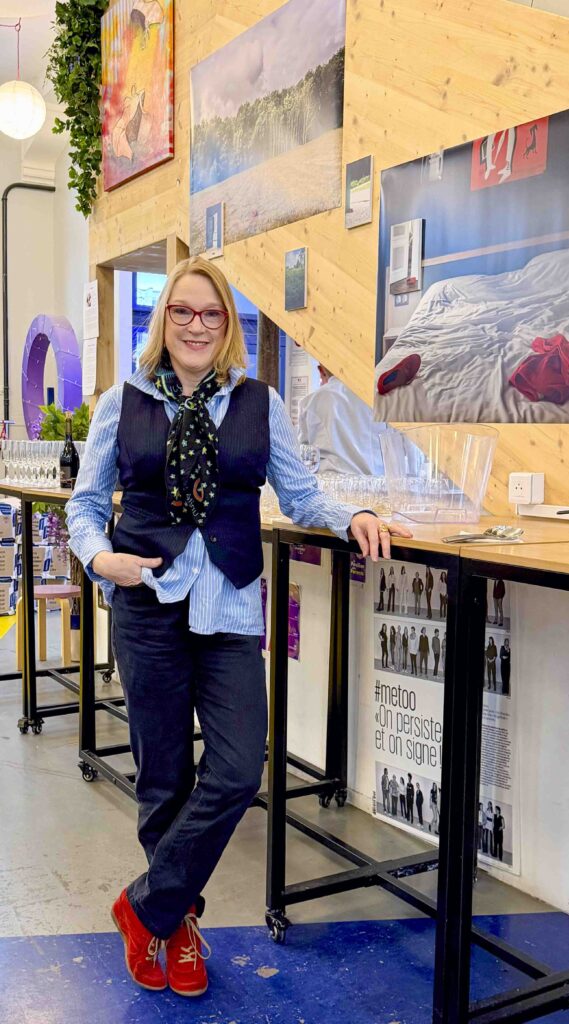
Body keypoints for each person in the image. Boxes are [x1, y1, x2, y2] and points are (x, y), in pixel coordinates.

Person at [66, 256, 411, 998]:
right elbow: (84, 508)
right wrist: (105, 560)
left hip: (227, 608)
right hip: (147, 605)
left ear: (229, 327)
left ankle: (146, 909)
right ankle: (180, 928)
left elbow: (300, 489)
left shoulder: (261, 403)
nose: (196, 325)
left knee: (234, 769)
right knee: (164, 778)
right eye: (183, 312)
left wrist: (350, 515)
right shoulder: (119, 403)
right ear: (164, 322)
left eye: (211, 315)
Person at [296, 363, 387, 476]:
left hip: (330, 486)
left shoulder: (309, 402)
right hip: (377, 486)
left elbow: (303, 456)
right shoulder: (381, 398)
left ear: (321, 371)